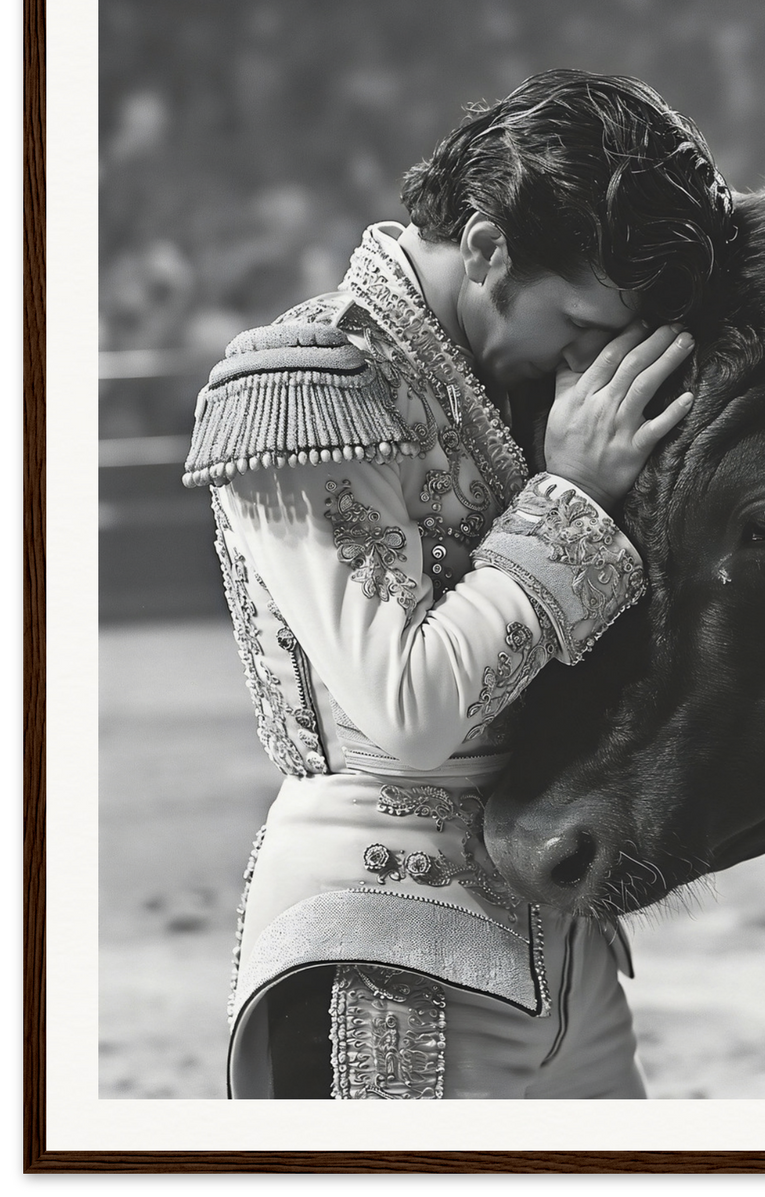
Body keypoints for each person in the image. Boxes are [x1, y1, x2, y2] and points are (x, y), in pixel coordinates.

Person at [184, 70, 736, 1099]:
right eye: (577, 320)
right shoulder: (315, 379)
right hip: (382, 946)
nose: (589, 358)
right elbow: (410, 710)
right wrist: (570, 493)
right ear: (485, 247)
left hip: (564, 948)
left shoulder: (505, 382)